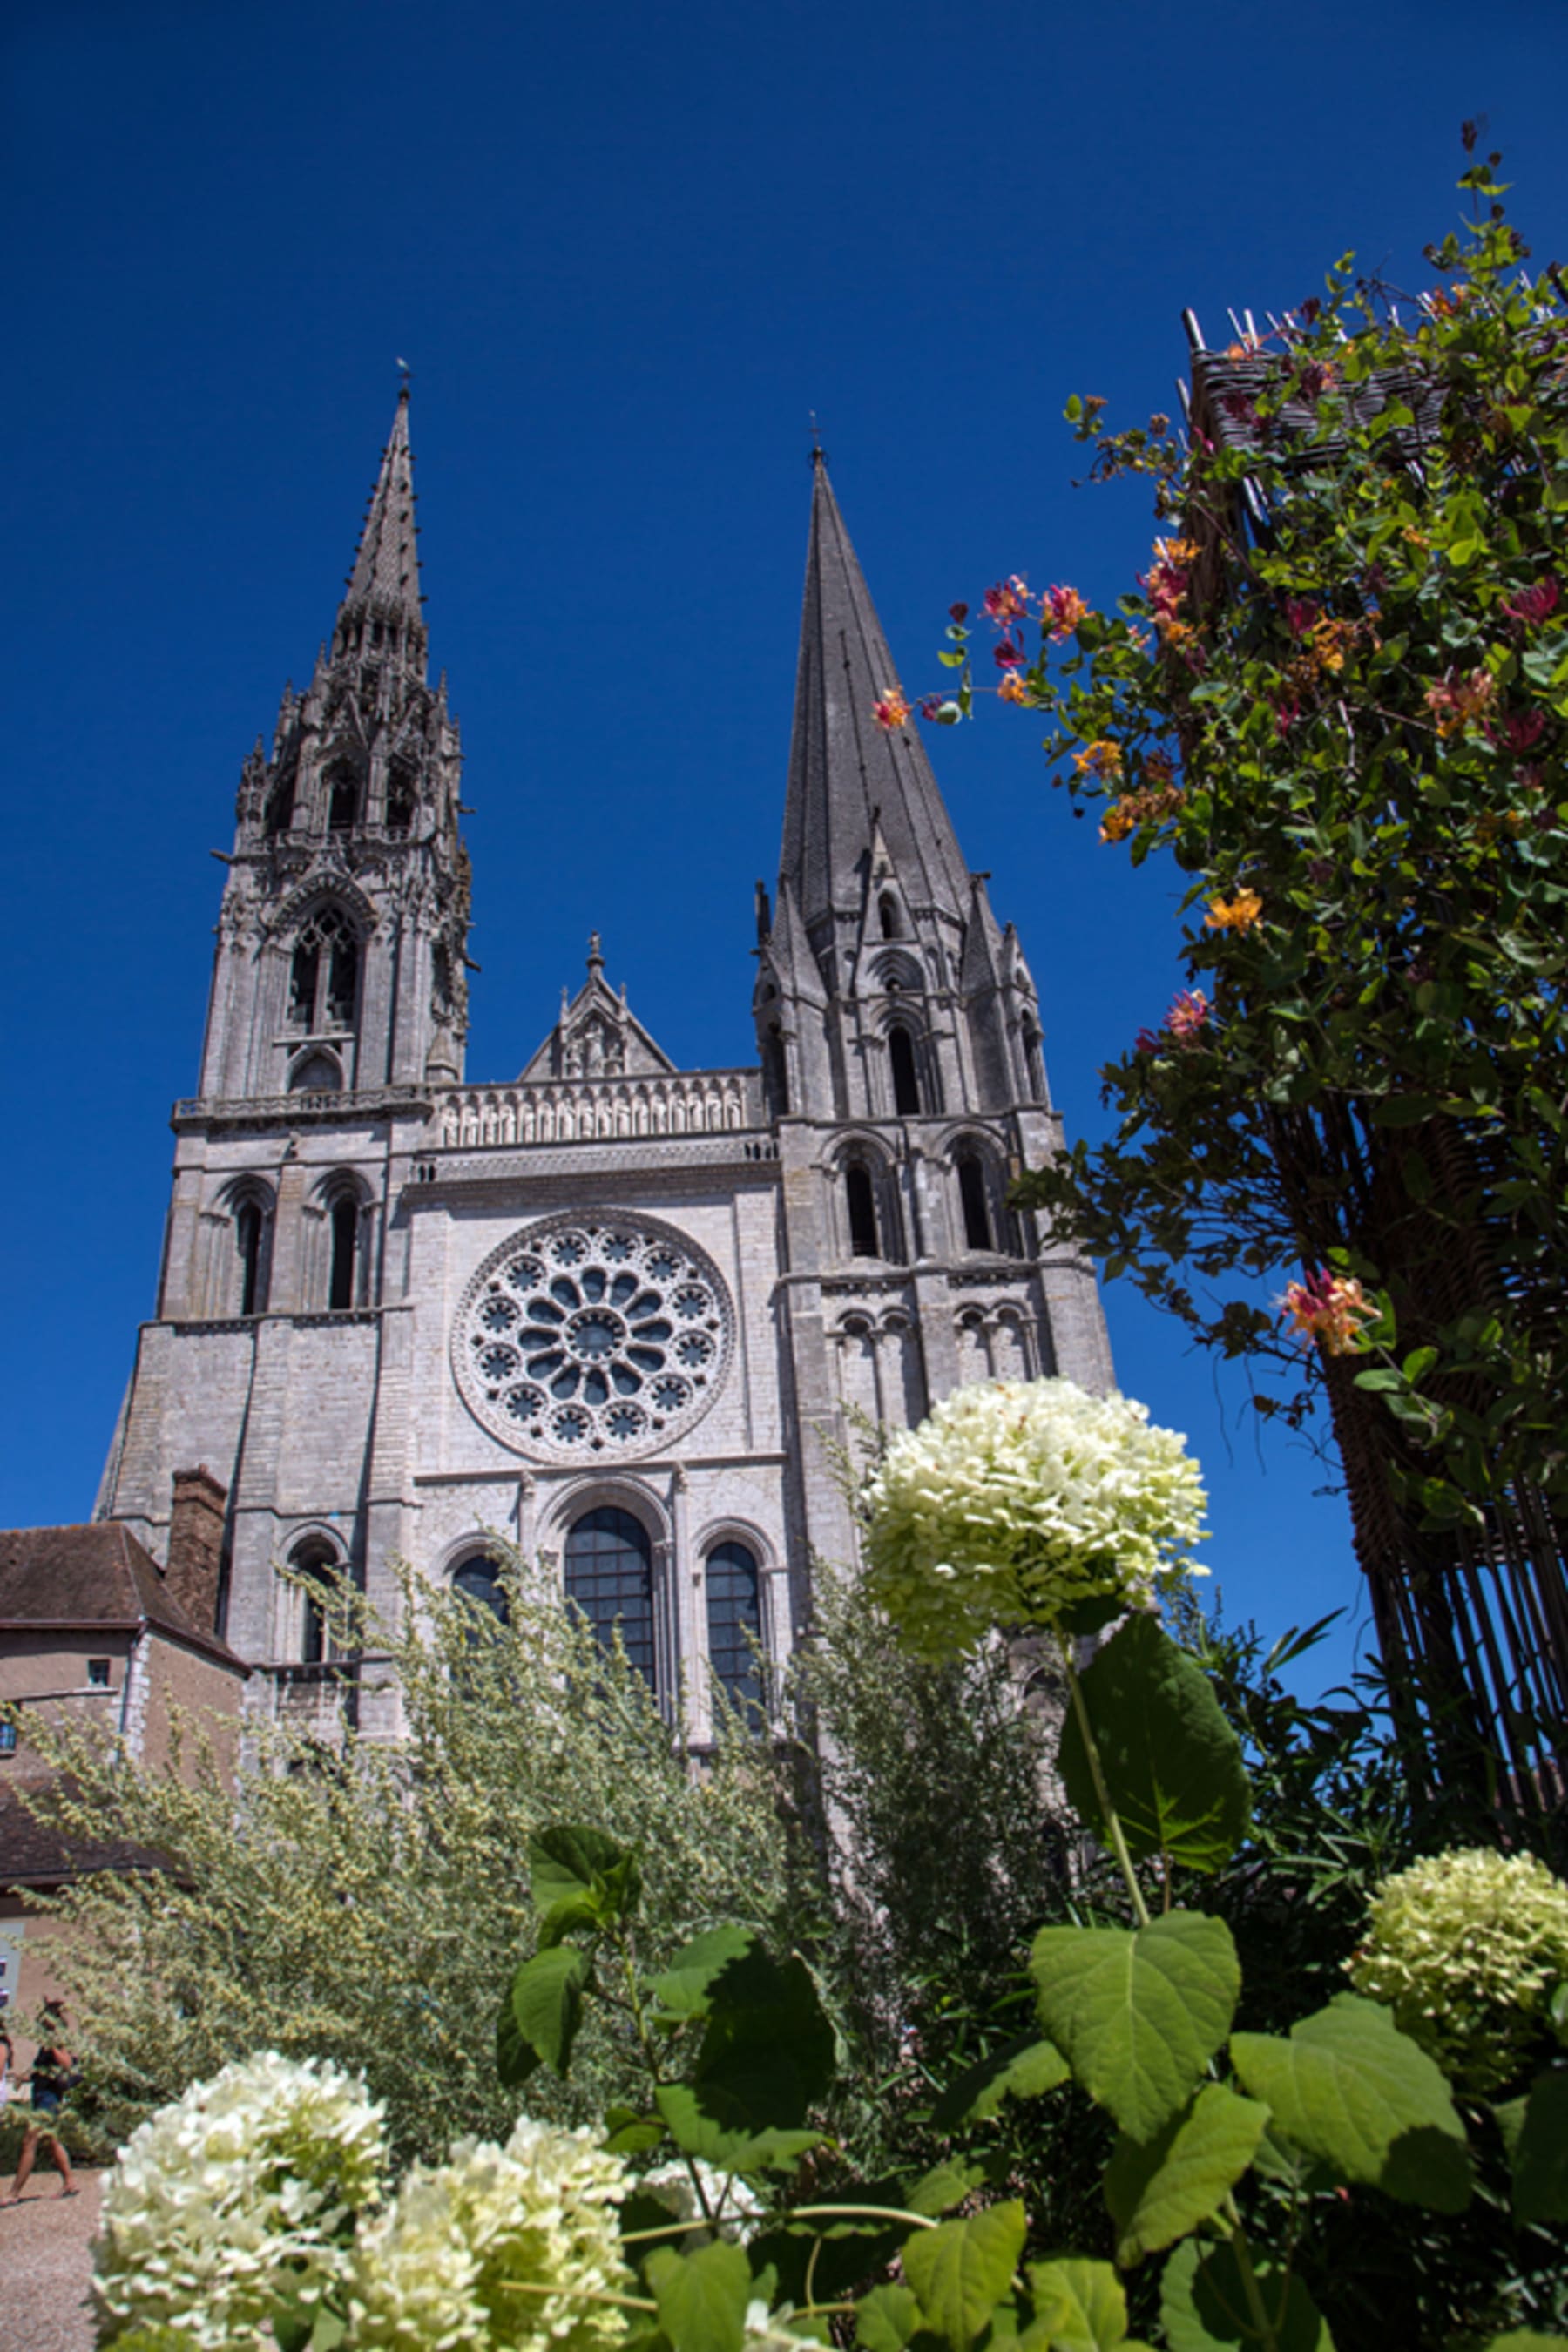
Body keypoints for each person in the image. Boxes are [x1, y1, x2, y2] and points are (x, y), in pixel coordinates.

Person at [3, 2002, 77, 2203]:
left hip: (49, 2099)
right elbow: (44, 2072)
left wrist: (52, 2046)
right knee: (52, 2141)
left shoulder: (58, 2042)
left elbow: (66, 2064)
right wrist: (24, 2077)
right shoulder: (49, 2043)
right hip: (42, 2095)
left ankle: (14, 2193)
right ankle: (69, 2181)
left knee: (30, 2141)